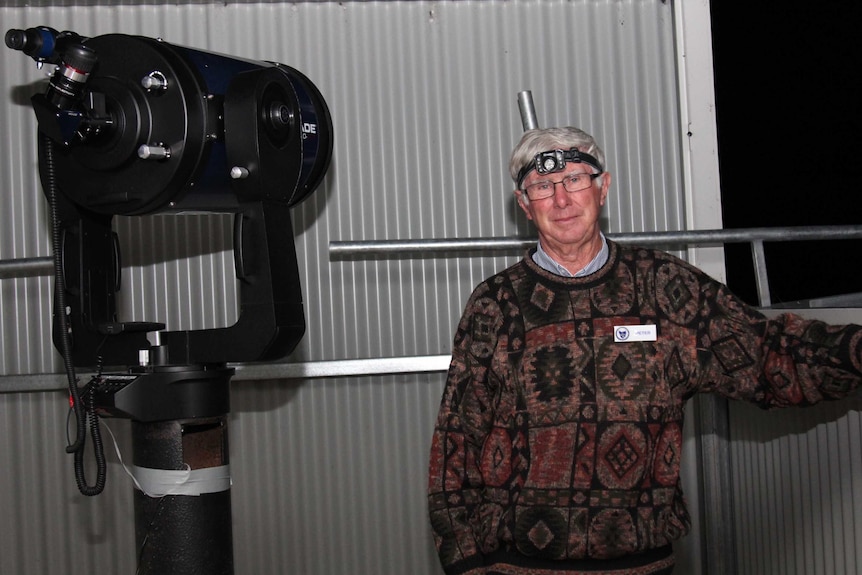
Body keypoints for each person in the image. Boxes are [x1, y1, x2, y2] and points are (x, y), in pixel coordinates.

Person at [427, 126, 862, 575]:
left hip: (643, 564)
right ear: (524, 204)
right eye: (542, 186)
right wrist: (464, 562)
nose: (561, 199)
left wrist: (853, 350)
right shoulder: (494, 303)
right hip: (514, 565)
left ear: (604, 187)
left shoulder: (666, 286)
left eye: (575, 179)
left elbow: (769, 353)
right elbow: (456, 439)